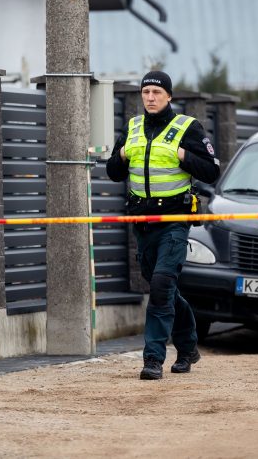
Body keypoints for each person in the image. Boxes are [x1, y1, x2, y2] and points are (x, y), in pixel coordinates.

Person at [106, 71, 221, 380]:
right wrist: (121, 154)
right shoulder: (132, 128)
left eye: (157, 92)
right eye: (146, 93)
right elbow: (113, 173)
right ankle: (188, 348)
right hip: (143, 225)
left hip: (174, 222)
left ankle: (153, 359)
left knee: (160, 287)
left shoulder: (186, 127)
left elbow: (212, 171)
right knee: (164, 289)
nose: (151, 97)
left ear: (169, 96)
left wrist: (182, 154)